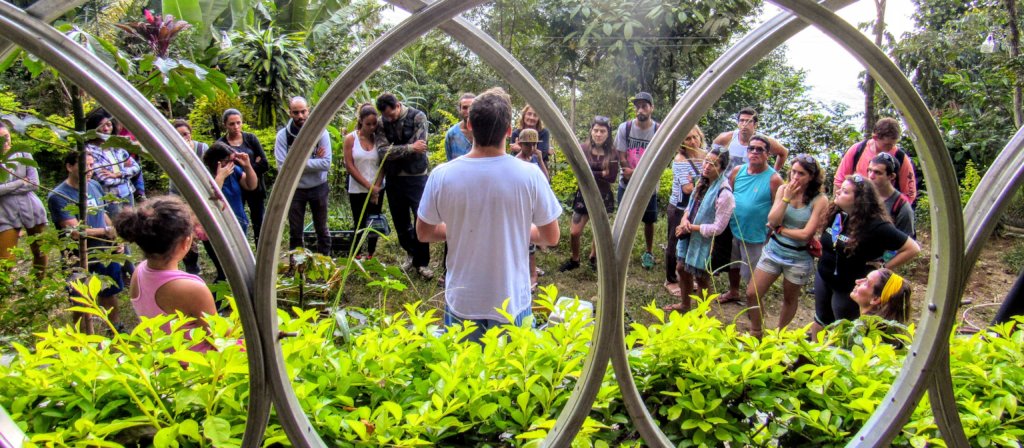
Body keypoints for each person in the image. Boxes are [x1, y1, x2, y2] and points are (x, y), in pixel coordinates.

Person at [416, 87, 561, 343]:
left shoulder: (442, 175)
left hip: (462, 301)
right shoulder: (530, 175)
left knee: (465, 379)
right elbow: (551, 236)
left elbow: (424, 232)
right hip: (512, 302)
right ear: (508, 131)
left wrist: (462, 227)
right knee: (512, 379)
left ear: (469, 124)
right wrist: (516, 229)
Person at [811, 175, 921, 335]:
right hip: (824, 277)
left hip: (848, 287)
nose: (838, 192)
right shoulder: (837, 213)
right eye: (841, 189)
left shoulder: (876, 226)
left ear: (859, 200)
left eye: (845, 191)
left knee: (844, 330)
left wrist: (884, 267)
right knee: (820, 320)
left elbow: (912, 248)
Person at [113, 196, 217, 352]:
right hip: (201, 367)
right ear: (186, 242)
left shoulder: (138, 273)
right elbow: (218, 337)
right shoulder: (192, 289)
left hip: (166, 361)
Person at [745, 154, 828, 337]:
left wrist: (781, 230)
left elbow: (806, 234)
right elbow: (772, 220)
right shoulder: (784, 189)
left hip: (798, 257)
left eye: (801, 174)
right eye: (793, 172)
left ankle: (779, 335)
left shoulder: (819, 200)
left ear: (811, 177)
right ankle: (756, 330)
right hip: (774, 250)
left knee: (789, 299)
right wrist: (786, 199)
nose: (795, 177)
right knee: (752, 292)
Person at [47, 152, 124, 334]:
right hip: (78, 256)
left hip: (104, 252)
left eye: (92, 165)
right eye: (85, 166)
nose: (90, 170)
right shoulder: (58, 196)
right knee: (81, 299)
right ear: (69, 166)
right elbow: (74, 231)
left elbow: (101, 214)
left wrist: (115, 237)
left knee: (109, 291)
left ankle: (116, 330)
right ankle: (83, 339)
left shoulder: (95, 185)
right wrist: (106, 232)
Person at [663, 147, 734, 313]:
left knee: (701, 278)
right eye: (706, 161)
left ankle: (703, 312)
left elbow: (718, 227)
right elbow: (689, 207)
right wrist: (684, 220)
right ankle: (685, 304)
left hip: (706, 242)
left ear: (722, 168)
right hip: (690, 234)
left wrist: (691, 227)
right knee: (681, 268)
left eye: (713, 164)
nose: (707, 166)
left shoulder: (725, 194)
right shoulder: (702, 182)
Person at [717, 135, 784, 304]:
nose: (754, 152)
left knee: (752, 272)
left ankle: (753, 302)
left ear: (767, 154)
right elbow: (728, 194)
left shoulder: (774, 179)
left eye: (759, 149)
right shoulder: (738, 171)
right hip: (734, 228)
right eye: (751, 148)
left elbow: (780, 208)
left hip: (757, 234)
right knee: (734, 264)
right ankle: (733, 291)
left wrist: (773, 232)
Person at [375, 93, 433, 278]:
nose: (389, 119)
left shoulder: (418, 116)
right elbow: (383, 151)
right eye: (386, 116)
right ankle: (411, 254)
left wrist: (398, 150)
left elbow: (421, 147)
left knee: (420, 218)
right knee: (400, 221)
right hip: (394, 178)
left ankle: (423, 262)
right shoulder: (381, 123)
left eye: (392, 115)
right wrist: (409, 148)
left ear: (398, 105)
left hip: (416, 177)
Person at [558, 116, 618, 272]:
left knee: (599, 232)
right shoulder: (582, 149)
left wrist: (591, 172)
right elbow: (578, 172)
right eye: (596, 130)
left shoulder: (613, 152)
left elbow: (611, 177)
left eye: (602, 131)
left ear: (608, 133)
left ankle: (593, 258)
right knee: (574, 231)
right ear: (591, 131)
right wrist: (601, 172)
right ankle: (575, 259)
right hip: (583, 195)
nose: (598, 134)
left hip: (603, 196)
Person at [275, 96, 332, 255]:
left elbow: (326, 163)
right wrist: (312, 161)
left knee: (322, 228)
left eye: (303, 111)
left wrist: (295, 162)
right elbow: (283, 167)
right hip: (295, 189)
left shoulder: (321, 133)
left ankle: (325, 263)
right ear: (290, 113)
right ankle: (296, 267)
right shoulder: (283, 136)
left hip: (319, 186)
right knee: (295, 231)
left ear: (309, 110)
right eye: (296, 112)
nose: (300, 116)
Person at [616, 92, 660, 270]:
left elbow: (659, 158)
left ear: (651, 108)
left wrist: (636, 173)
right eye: (638, 106)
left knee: (648, 220)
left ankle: (648, 252)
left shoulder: (659, 130)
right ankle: (619, 250)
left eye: (644, 106)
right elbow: (621, 153)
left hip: (648, 185)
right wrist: (628, 170)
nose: (640, 109)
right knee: (622, 216)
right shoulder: (625, 128)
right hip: (625, 182)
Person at [201, 143, 258, 283]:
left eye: (233, 161)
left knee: (239, 269)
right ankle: (216, 302)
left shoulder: (234, 172)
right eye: (229, 161)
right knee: (225, 272)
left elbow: (251, 185)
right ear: (217, 162)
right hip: (217, 231)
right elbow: (211, 200)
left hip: (237, 226)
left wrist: (247, 166)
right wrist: (220, 178)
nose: (232, 164)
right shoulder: (203, 176)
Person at [217, 109, 270, 247]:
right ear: (225, 125)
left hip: (255, 188)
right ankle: (240, 252)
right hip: (234, 190)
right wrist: (253, 164)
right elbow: (220, 168)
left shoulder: (250, 139)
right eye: (231, 124)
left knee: (259, 222)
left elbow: (264, 164)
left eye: (238, 123)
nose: (235, 127)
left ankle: (261, 253)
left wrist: (246, 167)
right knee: (237, 222)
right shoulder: (221, 144)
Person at [0, 122, 48, 276]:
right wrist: (20, 182)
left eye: (7, 137)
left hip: (31, 206)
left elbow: (34, 184)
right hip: (4, 211)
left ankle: (40, 286)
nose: (6, 142)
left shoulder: (23, 154)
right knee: (6, 260)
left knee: (40, 251)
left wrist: (7, 188)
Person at [663, 125, 705, 295]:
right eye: (688, 138)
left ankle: (688, 275)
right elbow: (687, 188)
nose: (693, 141)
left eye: (695, 137)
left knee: (692, 240)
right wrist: (702, 182)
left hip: (697, 207)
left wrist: (698, 182)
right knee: (674, 241)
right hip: (679, 207)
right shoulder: (680, 160)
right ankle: (670, 279)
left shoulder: (705, 156)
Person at [833, 117, 917, 202]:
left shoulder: (900, 158)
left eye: (893, 144)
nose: (890, 148)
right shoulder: (858, 149)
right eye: (887, 144)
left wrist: (895, 210)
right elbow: (839, 180)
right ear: (875, 137)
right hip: (856, 205)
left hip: (885, 208)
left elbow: (909, 194)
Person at [343, 103, 385, 259]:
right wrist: (369, 187)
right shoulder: (350, 139)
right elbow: (350, 166)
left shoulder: (379, 139)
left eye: (374, 124)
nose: (372, 127)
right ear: (360, 121)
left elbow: (383, 164)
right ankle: (356, 254)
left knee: (374, 223)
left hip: (377, 188)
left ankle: (371, 255)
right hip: (357, 189)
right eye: (368, 124)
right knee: (359, 222)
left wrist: (377, 188)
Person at [170, 119, 209, 275]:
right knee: (186, 231)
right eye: (179, 135)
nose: (184, 137)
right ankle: (191, 266)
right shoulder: (171, 152)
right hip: (181, 196)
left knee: (204, 230)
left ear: (191, 134)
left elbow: (208, 174)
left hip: (202, 197)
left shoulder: (202, 148)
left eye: (186, 133)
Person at [85, 108, 140, 217]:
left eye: (109, 125)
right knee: (115, 227)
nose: (106, 129)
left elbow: (136, 167)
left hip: (127, 193)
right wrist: (126, 174)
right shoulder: (89, 150)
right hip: (108, 196)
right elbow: (104, 179)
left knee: (132, 224)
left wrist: (118, 174)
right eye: (101, 126)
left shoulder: (116, 146)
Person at [514, 128, 550, 289]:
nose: (531, 148)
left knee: (531, 241)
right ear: (520, 144)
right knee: (526, 242)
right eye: (528, 145)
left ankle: (531, 270)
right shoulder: (517, 161)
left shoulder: (535, 158)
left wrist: (541, 160)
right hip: (522, 206)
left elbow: (546, 179)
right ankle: (530, 274)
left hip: (533, 205)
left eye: (534, 144)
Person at [712, 107, 789, 172]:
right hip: (726, 183)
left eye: (749, 121)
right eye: (742, 120)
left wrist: (774, 173)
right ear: (738, 123)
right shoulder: (725, 138)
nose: (744, 124)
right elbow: (710, 155)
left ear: (755, 125)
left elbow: (784, 152)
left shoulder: (764, 141)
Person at [866, 152, 915, 238]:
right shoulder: (861, 196)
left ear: (891, 176)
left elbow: (907, 246)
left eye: (877, 172)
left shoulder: (901, 208)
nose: (871, 176)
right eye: (869, 170)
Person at [444, 93, 475, 161]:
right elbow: (450, 161)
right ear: (459, 110)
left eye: (471, 107)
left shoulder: (485, 131)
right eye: (464, 108)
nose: (468, 111)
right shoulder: (452, 134)